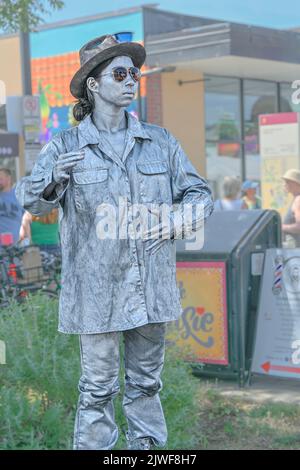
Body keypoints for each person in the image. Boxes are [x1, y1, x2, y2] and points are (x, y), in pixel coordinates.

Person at [15, 34, 214, 450]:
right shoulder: (67, 146)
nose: (131, 80)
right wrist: (55, 180)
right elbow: (28, 198)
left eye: (134, 73)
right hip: (97, 293)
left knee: (146, 385)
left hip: (150, 289)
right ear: (93, 83)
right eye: (120, 73)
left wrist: (175, 221)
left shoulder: (160, 141)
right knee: (98, 388)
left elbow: (201, 196)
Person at [0, 167, 24, 245]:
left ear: (8, 179)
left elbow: (27, 219)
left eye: (0, 179)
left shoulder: (19, 195)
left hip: (18, 244)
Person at [281, 169, 300, 248]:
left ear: (296, 183)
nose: (284, 184)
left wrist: (282, 227)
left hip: (295, 252)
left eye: (287, 182)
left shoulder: (298, 200)